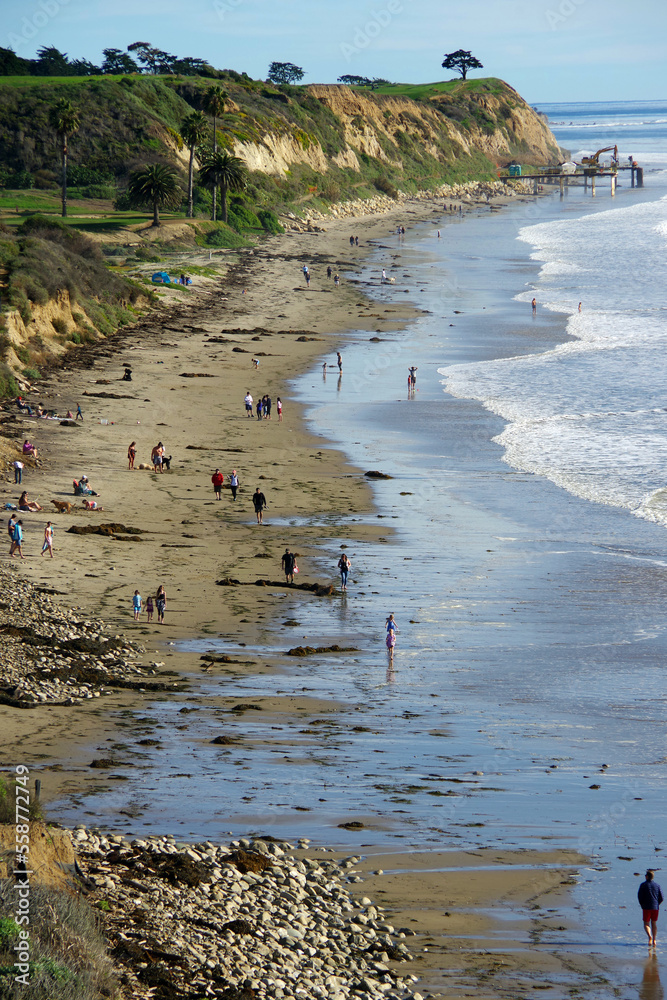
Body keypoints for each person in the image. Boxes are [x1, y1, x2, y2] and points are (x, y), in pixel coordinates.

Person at [639, 869, 663, 947]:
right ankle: (654, 940)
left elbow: (640, 896)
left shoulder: (643, 885)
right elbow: (661, 897)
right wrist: (657, 904)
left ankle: (650, 936)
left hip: (646, 907)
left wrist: (642, 904)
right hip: (655, 907)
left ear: (647, 876)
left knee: (646, 924)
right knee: (654, 923)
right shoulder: (657, 885)